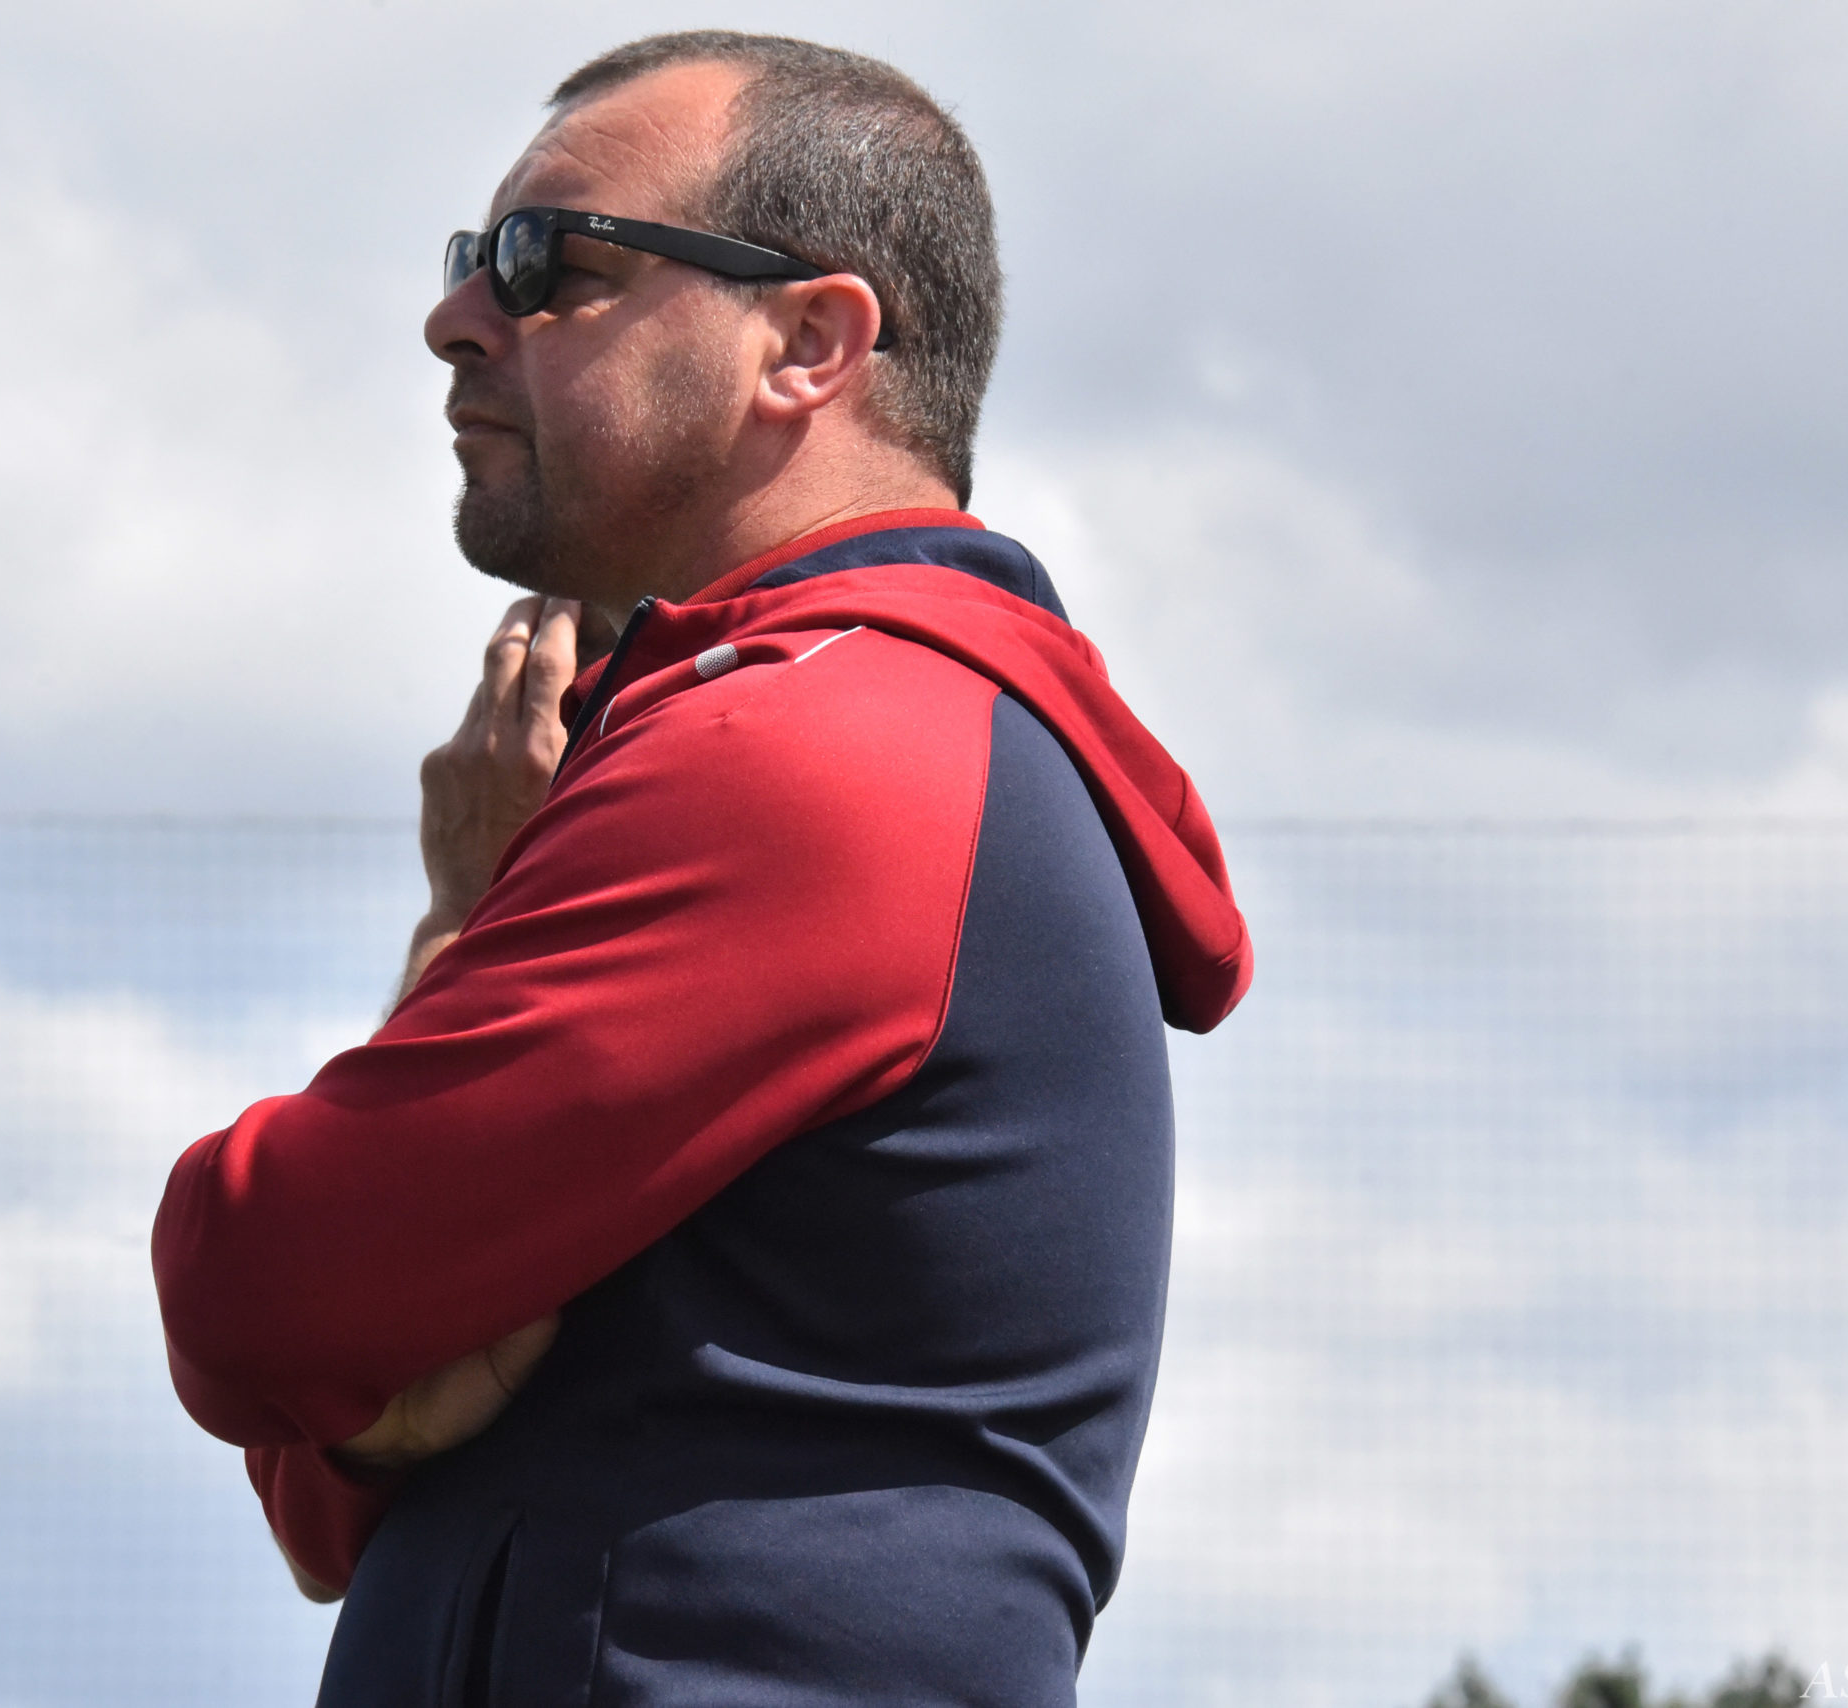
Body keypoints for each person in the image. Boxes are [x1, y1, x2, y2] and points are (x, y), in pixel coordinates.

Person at [152, 30, 1252, 1707]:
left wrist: (461, 922)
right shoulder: (842, 725)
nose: (458, 318)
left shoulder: (824, 744)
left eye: (551, 263)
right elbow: (326, 1492)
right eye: (468, 260)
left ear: (808, 345)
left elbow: (258, 1286)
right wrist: (368, 1390)